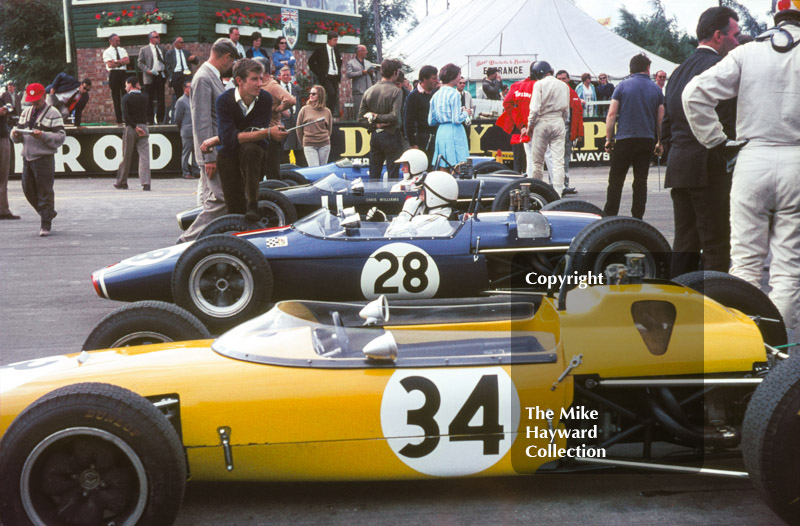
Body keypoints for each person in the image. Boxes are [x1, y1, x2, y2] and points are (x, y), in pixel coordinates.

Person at [683, 0, 800, 333]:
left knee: (745, 264)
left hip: (752, 160)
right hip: (796, 162)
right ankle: (782, 354)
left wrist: (718, 143)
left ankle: (744, 346)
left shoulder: (749, 51)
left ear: (777, 14)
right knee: (788, 269)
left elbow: (694, 94)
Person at [663, 6, 740, 277]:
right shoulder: (719, 68)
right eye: (735, 35)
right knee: (717, 244)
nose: (737, 42)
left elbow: (667, 123)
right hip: (709, 166)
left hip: (679, 166)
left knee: (684, 244)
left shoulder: (677, 72)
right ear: (719, 35)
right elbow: (729, 118)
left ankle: (677, 304)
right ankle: (715, 310)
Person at [209, 58, 288, 220]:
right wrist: (268, 132)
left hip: (253, 153)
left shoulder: (265, 99)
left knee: (251, 149)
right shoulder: (224, 101)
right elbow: (229, 140)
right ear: (239, 81)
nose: (260, 83)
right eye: (254, 79)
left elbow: (253, 136)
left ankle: (253, 204)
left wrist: (260, 133)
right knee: (235, 209)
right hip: (228, 155)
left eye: (261, 78)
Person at [177, 38, 239, 244]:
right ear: (227, 57)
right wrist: (209, 157)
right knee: (220, 200)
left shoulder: (206, 76)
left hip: (213, 150)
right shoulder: (204, 78)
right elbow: (202, 119)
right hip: (212, 152)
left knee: (209, 200)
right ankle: (187, 241)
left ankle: (202, 244)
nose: (230, 67)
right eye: (231, 62)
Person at [603, 53, 664, 219]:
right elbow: (660, 120)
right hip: (646, 140)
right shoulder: (656, 90)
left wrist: (609, 139)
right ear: (647, 68)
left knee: (616, 180)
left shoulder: (622, 86)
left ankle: (610, 215)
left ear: (631, 69)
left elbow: (611, 114)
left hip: (624, 139)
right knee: (640, 181)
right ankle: (637, 217)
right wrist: (660, 141)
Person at [10, 83, 65, 236]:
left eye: (37, 99)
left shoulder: (53, 113)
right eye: (32, 100)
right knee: (28, 189)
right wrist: (15, 136)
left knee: (45, 191)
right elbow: (18, 136)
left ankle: (45, 224)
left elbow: (61, 136)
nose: (34, 103)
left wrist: (43, 135)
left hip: (43, 157)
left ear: (44, 96)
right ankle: (47, 212)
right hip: (27, 156)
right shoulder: (25, 112)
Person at [521, 60, 569, 195]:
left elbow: (534, 109)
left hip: (542, 121)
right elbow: (566, 110)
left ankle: (537, 192)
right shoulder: (563, 85)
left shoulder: (539, 84)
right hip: (558, 120)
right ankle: (558, 192)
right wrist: (561, 121)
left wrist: (530, 126)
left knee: (537, 161)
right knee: (558, 161)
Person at [359, 59, 404, 179]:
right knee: (393, 174)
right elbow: (395, 116)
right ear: (395, 73)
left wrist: (375, 124)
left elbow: (361, 119)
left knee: (374, 173)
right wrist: (377, 117)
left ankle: (373, 196)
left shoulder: (369, 91)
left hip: (375, 136)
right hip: (391, 135)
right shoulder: (396, 91)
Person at [545, 69, 584, 195]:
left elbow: (578, 115)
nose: (562, 81)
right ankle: (553, 184)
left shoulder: (572, 94)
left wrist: (579, 133)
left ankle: (564, 184)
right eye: (559, 79)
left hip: (567, 128)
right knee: (553, 157)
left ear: (568, 79)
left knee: (565, 157)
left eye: (564, 79)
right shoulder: (550, 92)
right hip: (554, 127)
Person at [256, 57, 295, 180]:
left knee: (272, 171)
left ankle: (276, 197)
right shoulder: (261, 84)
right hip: (262, 133)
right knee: (259, 170)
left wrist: (278, 109)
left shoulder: (272, 85)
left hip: (272, 135)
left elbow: (290, 100)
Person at [385, 171, 458, 237]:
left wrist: (406, 213)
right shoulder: (445, 218)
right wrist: (384, 222)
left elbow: (390, 236)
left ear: (434, 197)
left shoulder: (430, 223)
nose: (419, 197)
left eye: (422, 193)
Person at [428, 63, 472, 168]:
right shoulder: (454, 94)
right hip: (454, 131)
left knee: (443, 164)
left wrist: (442, 119)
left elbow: (431, 121)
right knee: (459, 164)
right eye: (458, 75)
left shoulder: (436, 95)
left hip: (441, 131)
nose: (459, 78)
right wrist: (466, 113)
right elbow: (456, 119)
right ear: (453, 77)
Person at [115, 77, 151, 191]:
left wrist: (135, 127)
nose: (125, 87)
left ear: (130, 84)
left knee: (126, 155)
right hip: (144, 127)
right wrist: (141, 127)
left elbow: (125, 115)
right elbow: (149, 112)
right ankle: (146, 183)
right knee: (144, 156)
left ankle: (122, 181)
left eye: (126, 85)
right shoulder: (145, 97)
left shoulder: (126, 97)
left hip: (131, 128)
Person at [500, 70, 536, 176]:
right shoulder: (525, 85)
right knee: (523, 153)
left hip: (521, 124)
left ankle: (523, 174)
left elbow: (507, 103)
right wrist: (520, 122)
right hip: (521, 125)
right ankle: (521, 175)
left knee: (526, 154)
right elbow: (507, 103)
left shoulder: (518, 85)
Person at [404, 65, 439, 170]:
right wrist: (413, 143)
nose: (436, 81)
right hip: (421, 140)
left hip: (435, 138)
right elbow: (408, 121)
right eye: (434, 78)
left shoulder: (435, 94)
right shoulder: (413, 96)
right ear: (424, 79)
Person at [296, 84, 333, 166]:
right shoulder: (304, 109)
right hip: (309, 144)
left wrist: (326, 138)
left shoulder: (327, 111)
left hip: (324, 144)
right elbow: (299, 128)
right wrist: (303, 143)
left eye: (313, 94)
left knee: (323, 169)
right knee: (314, 167)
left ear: (320, 95)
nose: (311, 95)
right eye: (310, 93)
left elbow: (329, 129)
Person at [308, 31, 342, 115]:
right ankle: (324, 111)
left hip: (334, 76)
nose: (336, 42)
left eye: (337, 40)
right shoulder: (320, 50)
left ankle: (330, 113)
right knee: (331, 93)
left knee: (334, 95)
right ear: (329, 40)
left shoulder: (336, 50)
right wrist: (319, 73)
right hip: (326, 76)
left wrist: (338, 72)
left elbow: (339, 62)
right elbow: (311, 62)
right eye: (334, 40)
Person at [138, 31, 167, 124]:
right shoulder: (144, 49)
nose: (159, 38)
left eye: (159, 37)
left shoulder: (162, 49)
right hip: (150, 76)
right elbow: (140, 63)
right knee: (149, 99)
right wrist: (148, 70)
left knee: (161, 99)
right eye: (156, 37)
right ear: (151, 39)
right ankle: (149, 120)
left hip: (160, 75)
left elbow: (166, 60)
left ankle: (160, 119)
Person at [277, 67, 305, 166]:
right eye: (283, 75)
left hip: (296, 121)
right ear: (279, 77)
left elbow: (300, 104)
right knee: (285, 151)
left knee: (299, 151)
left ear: (290, 76)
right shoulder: (277, 89)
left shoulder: (296, 89)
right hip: (283, 122)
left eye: (288, 75)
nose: (286, 77)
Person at [174, 80, 200, 180]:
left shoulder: (194, 99)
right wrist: (182, 127)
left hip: (196, 131)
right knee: (186, 152)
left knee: (196, 152)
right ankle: (185, 172)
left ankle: (196, 171)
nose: (191, 89)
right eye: (189, 87)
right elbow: (178, 118)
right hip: (187, 130)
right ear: (184, 89)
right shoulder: (181, 101)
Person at [102, 33, 130, 125]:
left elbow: (127, 61)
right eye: (116, 40)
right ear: (111, 41)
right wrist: (122, 62)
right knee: (116, 98)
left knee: (125, 96)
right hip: (114, 75)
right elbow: (110, 64)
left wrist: (116, 61)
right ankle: (119, 120)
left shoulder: (122, 50)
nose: (119, 42)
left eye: (119, 40)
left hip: (123, 74)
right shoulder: (107, 52)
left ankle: (127, 118)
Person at [0, 89, 19, 220]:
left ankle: (3, 208)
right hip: (1, 137)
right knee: (2, 174)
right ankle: (3, 209)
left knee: (3, 175)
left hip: (2, 135)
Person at [165, 36, 197, 113]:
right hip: (177, 74)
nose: (183, 44)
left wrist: (194, 58)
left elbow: (196, 62)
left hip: (187, 74)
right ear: (176, 43)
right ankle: (181, 112)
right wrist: (171, 77)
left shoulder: (186, 52)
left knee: (190, 92)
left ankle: (191, 111)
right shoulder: (170, 53)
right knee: (179, 94)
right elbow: (168, 66)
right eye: (181, 42)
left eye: (183, 42)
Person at [346, 45, 375, 121]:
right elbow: (349, 74)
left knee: (370, 111)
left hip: (369, 90)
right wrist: (361, 72)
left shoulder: (368, 63)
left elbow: (373, 76)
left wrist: (372, 73)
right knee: (360, 112)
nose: (367, 52)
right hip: (358, 91)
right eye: (365, 50)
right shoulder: (351, 63)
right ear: (359, 52)